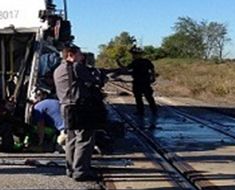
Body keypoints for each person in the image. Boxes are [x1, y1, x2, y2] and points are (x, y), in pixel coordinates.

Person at [54, 44, 109, 182]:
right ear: (71, 55)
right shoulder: (76, 67)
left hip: (66, 106)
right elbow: (95, 80)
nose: (82, 57)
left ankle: (71, 168)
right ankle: (81, 170)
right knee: (85, 139)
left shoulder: (58, 69)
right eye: (79, 54)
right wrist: (100, 76)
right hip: (79, 107)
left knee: (72, 138)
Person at [117, 46, 158, 121]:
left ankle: (143, 112)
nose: (133, 55)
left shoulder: (137, 62)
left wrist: (119, 63)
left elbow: (125, 69)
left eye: (134, 54)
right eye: (133, 54)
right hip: (143, 81)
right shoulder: (145, 61)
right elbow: (152, 69)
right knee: (146, 97)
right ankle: (151, 111)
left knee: (142, 97)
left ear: (138, 54)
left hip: (140, 82)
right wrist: (153, 77)